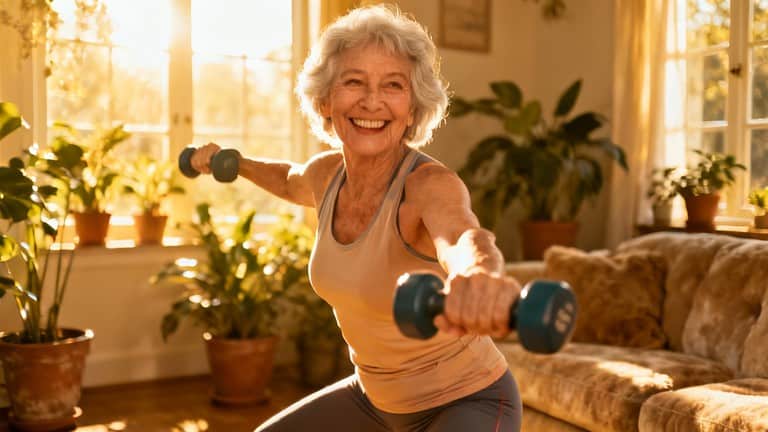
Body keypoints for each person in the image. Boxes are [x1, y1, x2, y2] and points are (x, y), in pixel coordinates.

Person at [190, 5, 523, 431]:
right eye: (353, 81)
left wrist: (478, 276)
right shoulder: (325, 175)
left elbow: (462, 237)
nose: (372, 100)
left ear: (413, 108)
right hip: (373, 401)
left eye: (393, 85)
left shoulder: (429, 184)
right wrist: (233, 162)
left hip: (469, 400)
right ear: (325, 100)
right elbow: (287, 179)